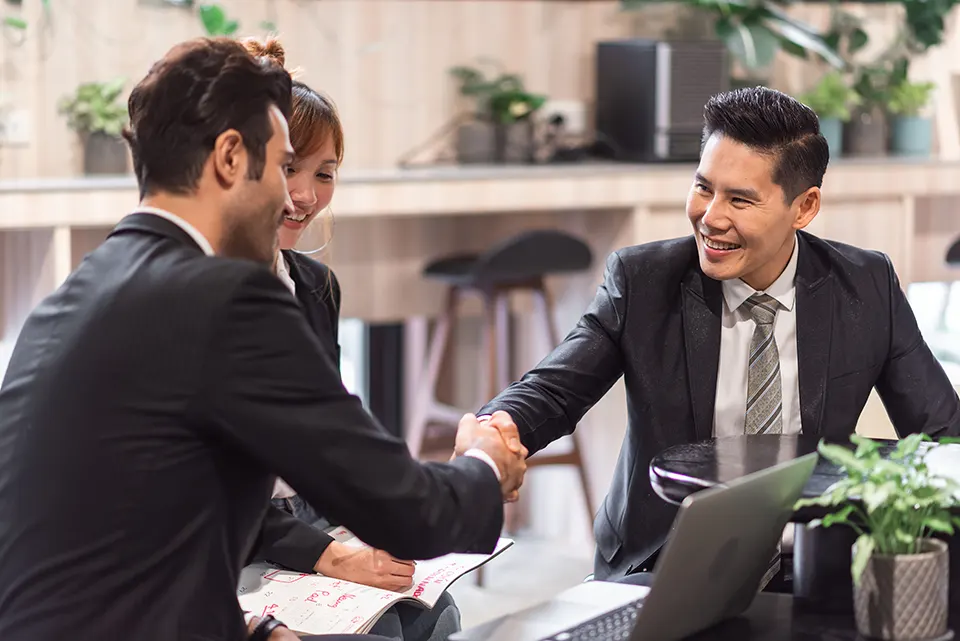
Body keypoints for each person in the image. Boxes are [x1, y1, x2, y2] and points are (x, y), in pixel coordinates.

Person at [0, 37, 526, 641]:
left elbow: (122, 541)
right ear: (230, 157)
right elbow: (411, 514)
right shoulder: (224, 296)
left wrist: (253, 630)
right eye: (281, 167)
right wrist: (486, 462)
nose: (292, 197)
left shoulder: (72, 297)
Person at [459, 86, 960, 585]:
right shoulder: (644, 280)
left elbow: (943, 435)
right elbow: (554, 390)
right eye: (704, 188)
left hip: (813, 564)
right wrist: (494, 430)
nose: (711, 217)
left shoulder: (864, 284)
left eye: (740, 199)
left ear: (804, 207)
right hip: (669, 561)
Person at [241, 38, 461, 641]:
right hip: (238, 532)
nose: (305, 196)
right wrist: (332, 557)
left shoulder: (314, 287)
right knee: (378, 631)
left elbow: (328, 444)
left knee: (436, 616)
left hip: (304, 512)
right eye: (290, 168)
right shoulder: (206, 299)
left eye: (325, 174)